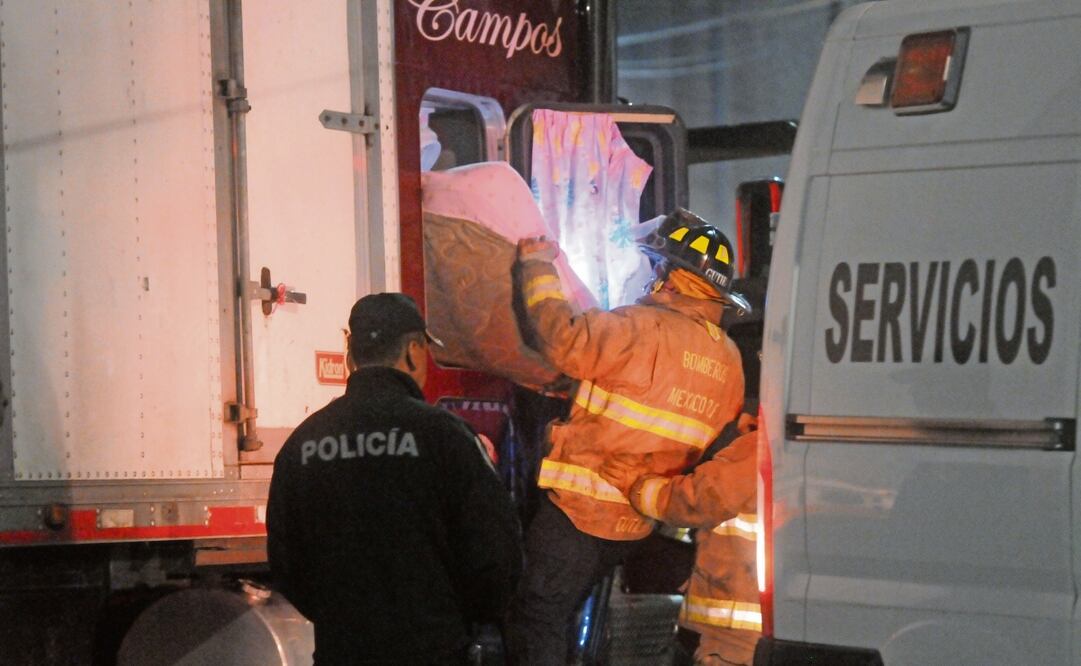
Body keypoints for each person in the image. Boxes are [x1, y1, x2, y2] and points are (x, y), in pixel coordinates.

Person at [507, 209, 748, 663]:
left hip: (580, 512)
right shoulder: (729, 362)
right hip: (639, 520)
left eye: (657, 267)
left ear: (672, 276)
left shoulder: (639, 328)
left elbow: (562, 338)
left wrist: (537, 268)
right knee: (581, 624)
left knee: (536, 616)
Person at [267, 292, 522, 665]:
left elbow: (287, 565)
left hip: (343, 654)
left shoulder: (301, 445)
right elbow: (496, 555)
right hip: (434, 652)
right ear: (414, 351)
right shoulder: (447, 436)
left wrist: (344, 623)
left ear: (351, 355)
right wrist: (461, 620)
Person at [604, 412, 760, 666]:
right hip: (764, 631)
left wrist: (638, 486)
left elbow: (700, 499)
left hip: (730, 635)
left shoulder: (762, 448)